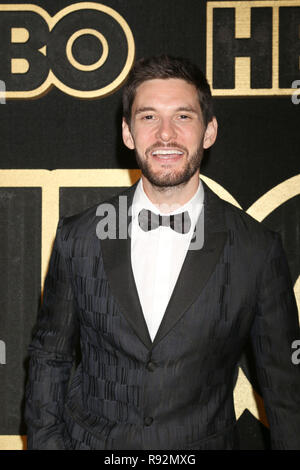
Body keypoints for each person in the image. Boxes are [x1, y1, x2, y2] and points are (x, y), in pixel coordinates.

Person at [25, 55, 300, 450]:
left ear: (209, 132)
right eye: (149, 117)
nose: (166, 135)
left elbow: (286, 393)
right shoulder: (78, 237)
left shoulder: (257, 250)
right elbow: (49, 357)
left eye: (184, 117)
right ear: (127, 132)